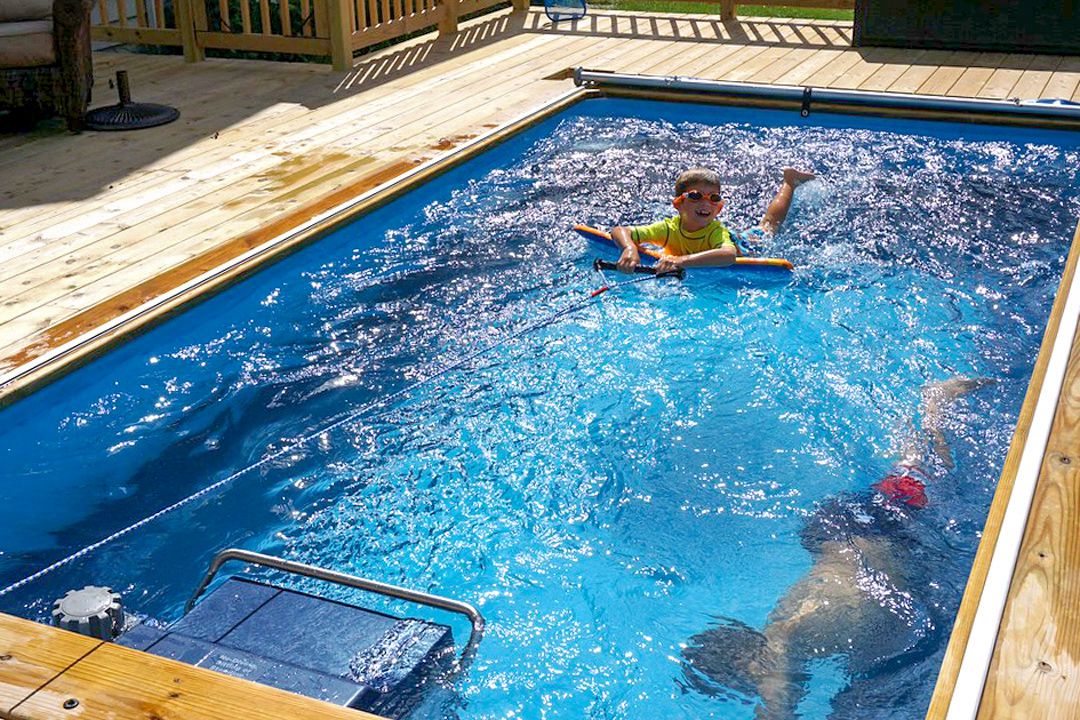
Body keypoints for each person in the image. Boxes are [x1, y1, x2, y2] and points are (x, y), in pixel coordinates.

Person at [680, 377, 993, 719]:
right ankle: (918, 414)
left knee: (934, 469)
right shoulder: (781, 629)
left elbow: (777, 708)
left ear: (743, 669)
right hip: (836, 533)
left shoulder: (779, 652)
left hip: (874, 531)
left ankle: (933, 404)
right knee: (909, 468)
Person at [610, 167, 815, 276]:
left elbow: (728, 254)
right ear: (678, 204)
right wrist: (629, 249)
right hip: (713, 248)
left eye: (714, 198)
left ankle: (790, 181)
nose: (706, 203)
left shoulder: (715, 231)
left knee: (769, 226)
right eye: (696, 196)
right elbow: (620, 230)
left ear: (719, 208)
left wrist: (680, 261)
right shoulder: (667, 228)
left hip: (744, 243)